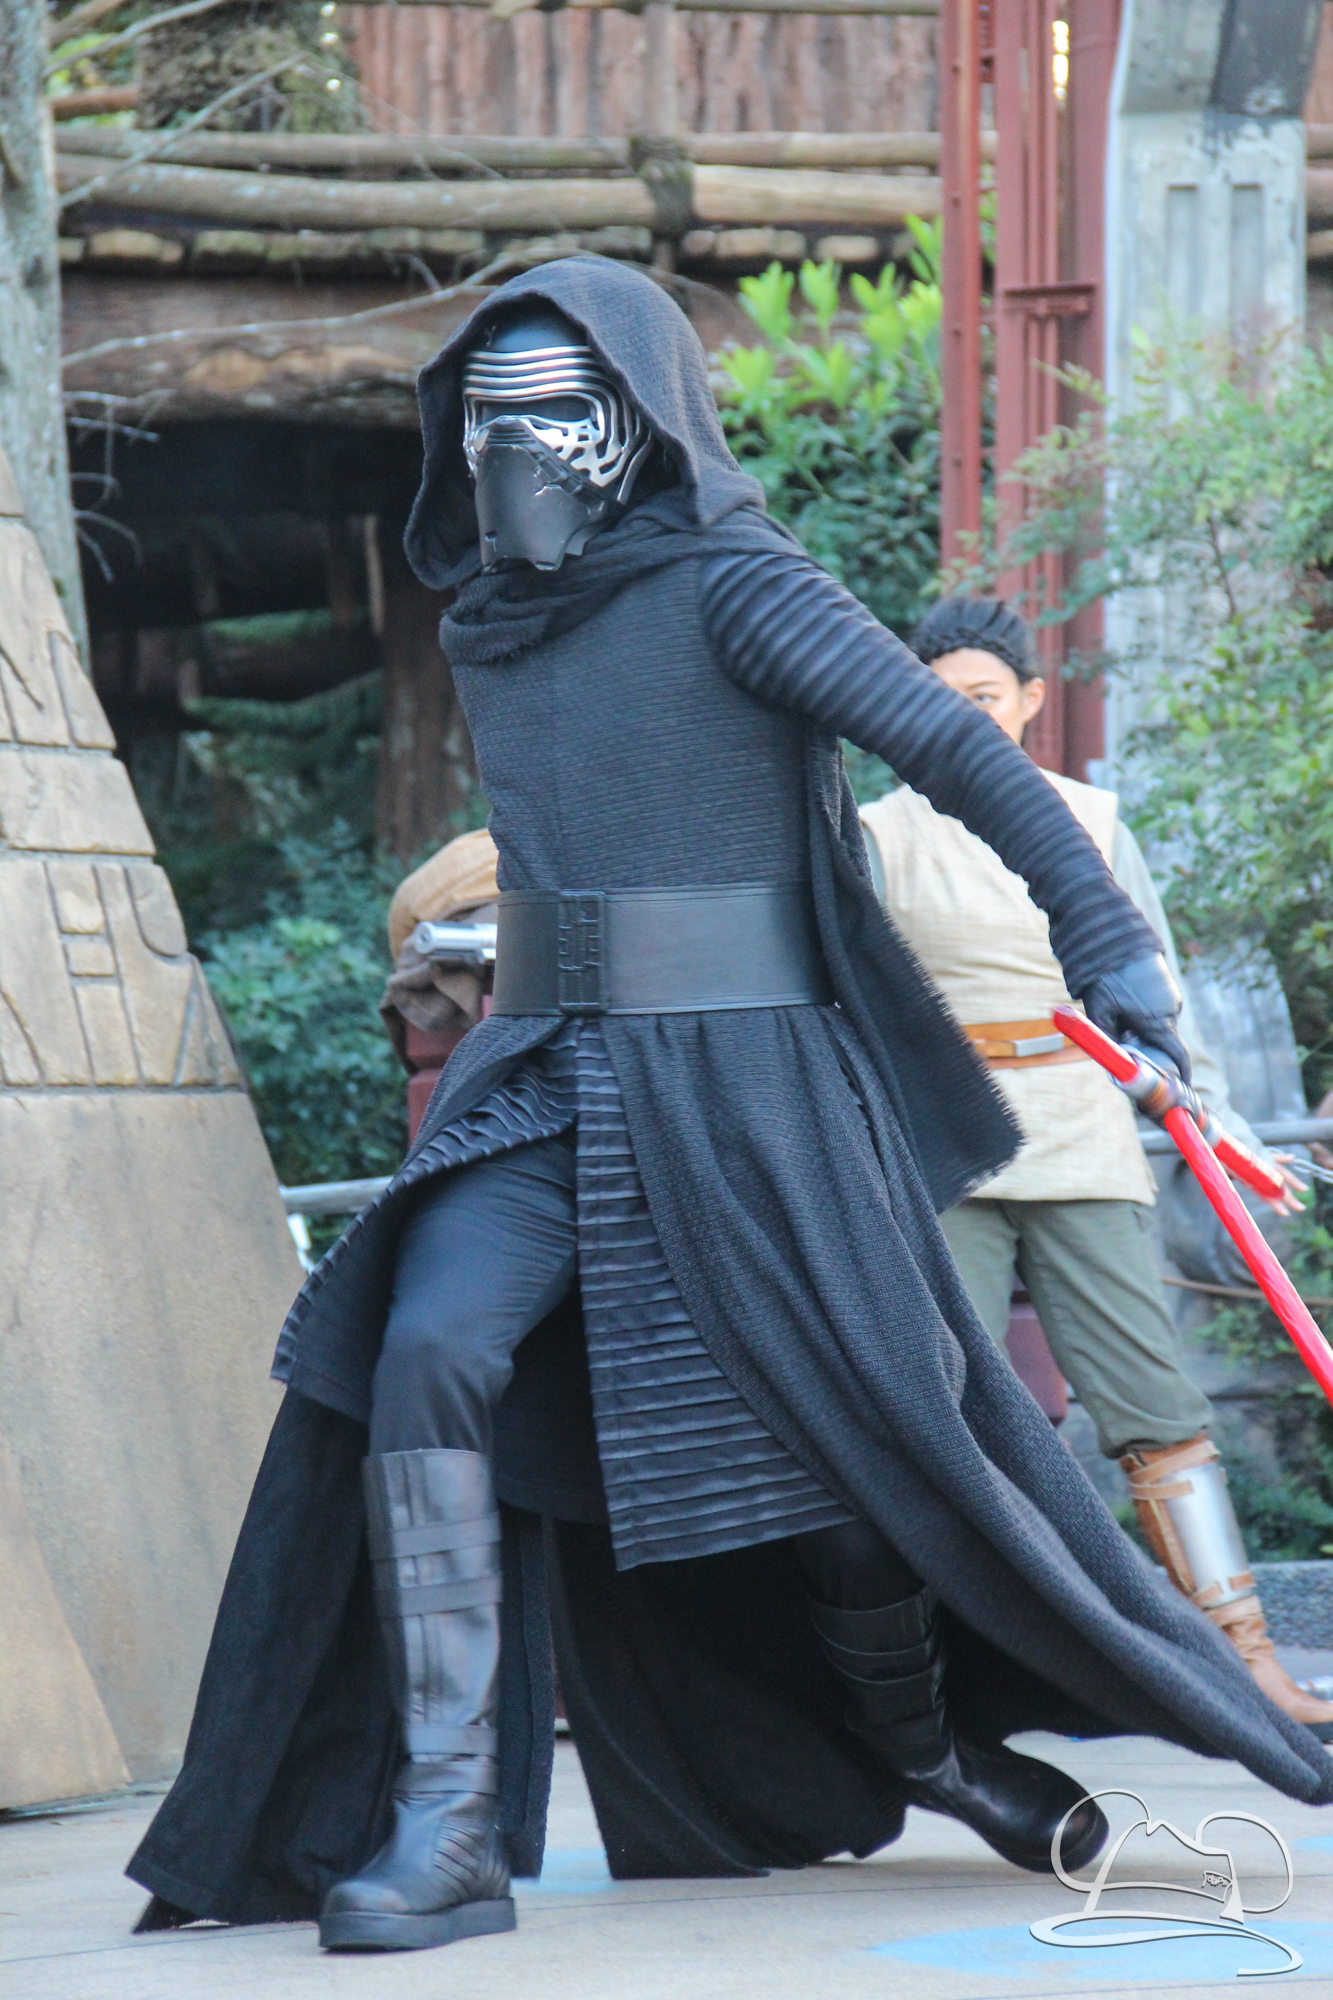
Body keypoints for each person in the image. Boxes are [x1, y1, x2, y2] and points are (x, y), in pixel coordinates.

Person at [127, 260, 1332, 1958]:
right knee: (423, 1346)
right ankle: (446, 1818)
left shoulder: (737, 588)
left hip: (755, 1081)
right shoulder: (489, 620)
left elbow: (958, 754)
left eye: (550, 419)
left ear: (634, 423)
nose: (513, 459)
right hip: (548, 1066)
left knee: (842, 1444)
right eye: (485, 424)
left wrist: (1108, 940)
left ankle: (928, 1747)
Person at [860, 596, 1333, 1738]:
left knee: (1152, 1400)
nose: (962, 714)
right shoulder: (873, 832)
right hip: (946, 1132)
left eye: (984, 695)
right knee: (944, 1410)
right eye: (938, 696)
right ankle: (942, 1683)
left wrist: (1213, 1115)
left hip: (1081, 1121)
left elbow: (1146, 978)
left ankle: (1243, 1661)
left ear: (1029, 701)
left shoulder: (1088, 817)